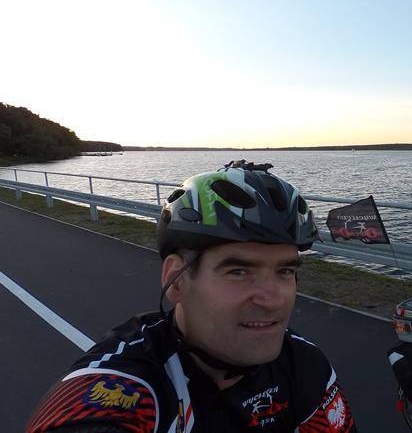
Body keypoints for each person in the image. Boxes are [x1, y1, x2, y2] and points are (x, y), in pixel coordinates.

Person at [28, 161, 357, 432]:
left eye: (285, 271)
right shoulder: (123, 393)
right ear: (176, 280)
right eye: (238, 271)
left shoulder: (303, 364)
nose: (272, 300)